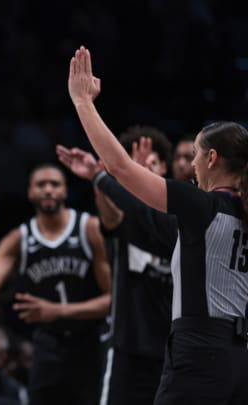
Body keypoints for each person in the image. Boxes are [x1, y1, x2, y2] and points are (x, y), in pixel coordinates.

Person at [68, 45, 248, 404]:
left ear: (211, 158)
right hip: (239, 357)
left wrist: (82, 103)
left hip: (200, 350)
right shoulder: (239, 212)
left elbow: (119, 167)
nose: (193, 165)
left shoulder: (204, 206)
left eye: (196, 154)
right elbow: (140, 211)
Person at [0, 164, 112, 405]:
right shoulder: (19, 239)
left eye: (55, 184)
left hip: (90, 340)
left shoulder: (89, 229)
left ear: (65, 191)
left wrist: (58, 311)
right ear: (30, 192)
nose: (48, 190)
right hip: (47, 342)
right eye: (41, 185)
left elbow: (113, 299)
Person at [57, 129, 177, 405]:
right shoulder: (128, 219)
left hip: (174, 350)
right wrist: (105, 180)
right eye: (139, 166)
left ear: (165, 168)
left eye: (154, 164)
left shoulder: (180, 222)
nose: (147, 168)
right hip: (127, 345)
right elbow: (111, 217)